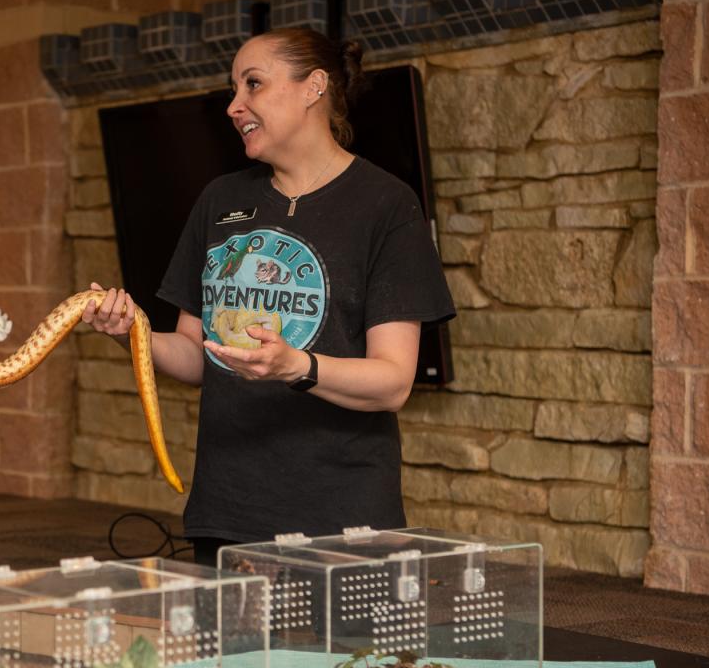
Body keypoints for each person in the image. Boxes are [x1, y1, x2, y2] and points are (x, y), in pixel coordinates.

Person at [83, 28, 455, 566]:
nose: (235, 106)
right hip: (227, 511)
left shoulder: (386, 207)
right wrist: (134, 329)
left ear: (314, 87)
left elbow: (392, 382)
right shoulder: (220, 199)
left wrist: (293, 365)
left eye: (253, 84)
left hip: (343, 520)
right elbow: (197, 355)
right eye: (234, 89)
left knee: (346, 657)